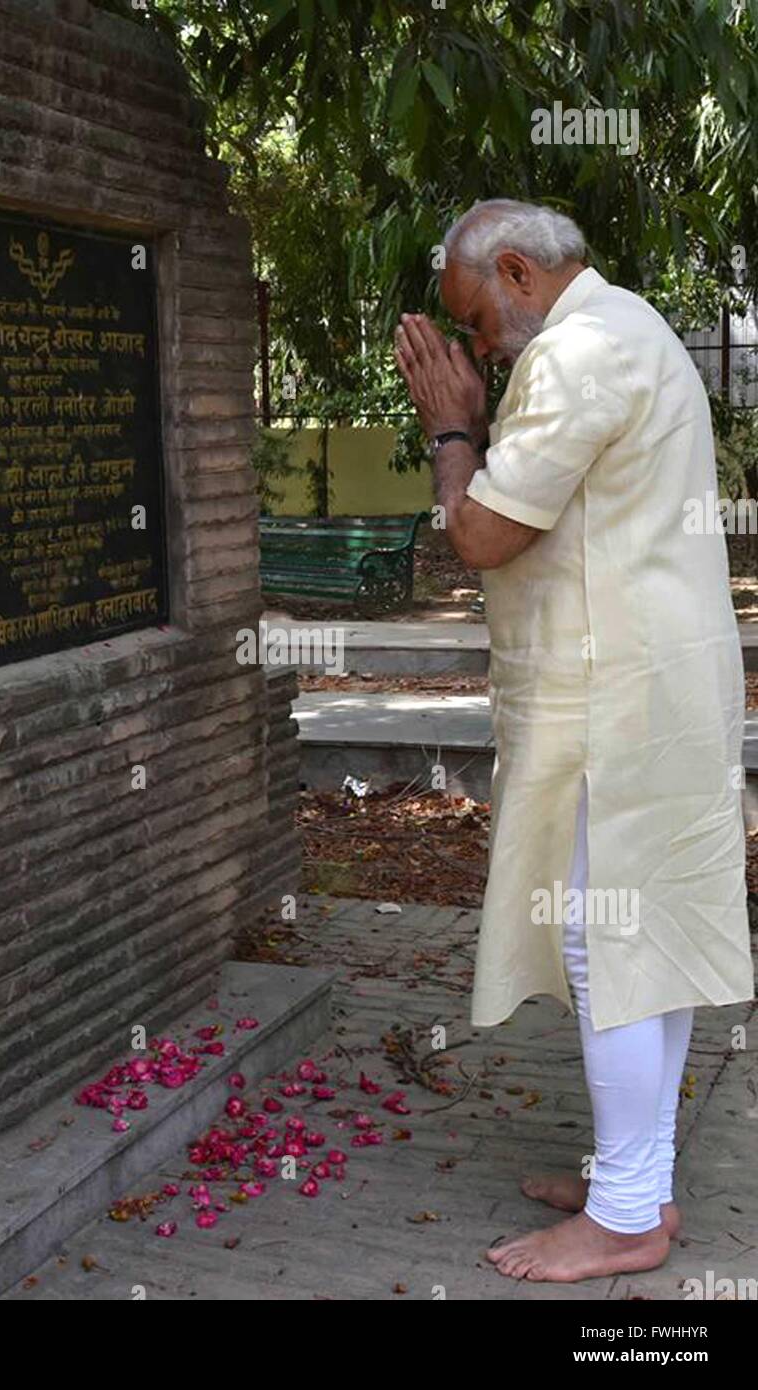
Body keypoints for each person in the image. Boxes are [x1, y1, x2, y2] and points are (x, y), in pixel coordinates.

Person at [394, 198, 755, 1282]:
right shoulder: (628, 327)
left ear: (516, 271)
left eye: (478, 321)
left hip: (623, 709)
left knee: (612, 949)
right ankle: (630, 1183)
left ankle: (629, 1220)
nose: (477, 349)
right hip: (653, 695)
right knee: (650, 948)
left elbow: (486, 532)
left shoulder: (578, 354)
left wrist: (453, 428)